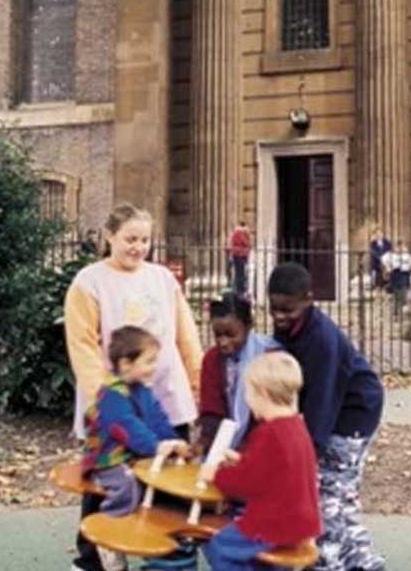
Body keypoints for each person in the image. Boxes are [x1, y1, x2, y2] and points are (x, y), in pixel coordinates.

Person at [64, 202, 203, 571]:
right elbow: (82, 343)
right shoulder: (89, 281)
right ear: (110, 236)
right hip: (118, 398)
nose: (138, 246)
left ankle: (168, 554)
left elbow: (185, 334)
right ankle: (93, 555)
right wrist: (103, 397)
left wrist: (197, 378)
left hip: (164, 392)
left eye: (144, 239)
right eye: (130, 239)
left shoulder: (162, 278)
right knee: (110, 477)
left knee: (170, 475)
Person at [268, 262, 385, 571]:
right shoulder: (289, 329)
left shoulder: (321, 339)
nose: (279, 317)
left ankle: (327, 562)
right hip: (333, 406)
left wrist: (307, 455)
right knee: (340, 496)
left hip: (353, 413)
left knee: (328, 495)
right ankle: (365, 561)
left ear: (309, 300)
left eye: (288, 310)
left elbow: (322, 404)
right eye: (274, 309)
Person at [200, 352, 321, 571]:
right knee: (255, 555)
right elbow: (280, 469)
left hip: (275, 523)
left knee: (219, 546)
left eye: (249, 393)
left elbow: (247, 484)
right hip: (302, 522)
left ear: (262, 394)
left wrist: (215, 475)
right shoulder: (297, 426)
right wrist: (241, 460)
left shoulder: (268, 433)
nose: (247, 400)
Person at [82, 326, 191, 571]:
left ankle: (140, 532)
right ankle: (109, 530)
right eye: (149, 361)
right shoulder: (111, 394)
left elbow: (156, 419)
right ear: (126, 363)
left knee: (157, 482)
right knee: (126, 483)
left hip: (130, 454)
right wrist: (156, 446)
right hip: (108, 458)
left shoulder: (141, 389)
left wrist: (172, 441)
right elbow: (127, 428)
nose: (154, 366)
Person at [198, 290, 279, 454]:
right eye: (217, 335)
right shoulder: (212, 359)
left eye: (230, 335)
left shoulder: (269, 356)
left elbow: (273, 414)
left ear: (248, 326)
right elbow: (211, 411)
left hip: (263, 441)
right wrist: (207, 444)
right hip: (224, 443)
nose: (223, 342)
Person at [382, 240, 411, 317]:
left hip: (404, 274)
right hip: (396, 274)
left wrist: (408, 266)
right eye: (399, 246)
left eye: (402, 246)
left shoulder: (407, 255)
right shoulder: (391, 255)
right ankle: (395, 312)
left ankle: (400, 309)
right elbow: (383, 259)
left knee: (403, 293)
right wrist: (388, 267)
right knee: (396, 293)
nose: (400, 248)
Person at [227, 221, 252, 296]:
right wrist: (248, 236)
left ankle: (239, 289)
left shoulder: (236, 232)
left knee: (239, 273)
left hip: (238, 254)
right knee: (240, 274)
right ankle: (240, 290)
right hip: (240, 255)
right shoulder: (240, 233)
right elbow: (246, 243)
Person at [368, 226, 391, 290]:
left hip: (386, 267)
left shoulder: (387, 243)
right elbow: (373, 253)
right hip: (377, 267)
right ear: (375, 235)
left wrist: (385, 261)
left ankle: (385, 298)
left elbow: (389, 252)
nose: (379, 235)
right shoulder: (373, 244)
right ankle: (378, 298)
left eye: (380, 233)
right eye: (377, 234)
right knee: (378, 285)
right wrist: (380, 258)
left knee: (386, 285)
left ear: (382, 234)